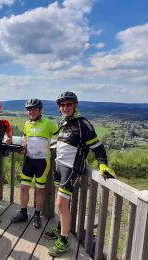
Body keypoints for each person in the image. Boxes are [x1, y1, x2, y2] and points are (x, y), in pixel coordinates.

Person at [46, 91, 116, 257]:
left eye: (68, 104)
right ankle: (60, 228)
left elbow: (98, 147)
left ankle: (63, 242)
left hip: (72, 169)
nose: (65, 107)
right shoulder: (64, 122)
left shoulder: (83, 123)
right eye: (62, 105)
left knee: (61, 203)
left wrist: (103, 165)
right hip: (59, 166)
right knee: (62, 202)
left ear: (75, 105)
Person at [11, 99, 58, 228]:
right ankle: (23, 212)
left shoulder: (48, 123)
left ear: (40, 110)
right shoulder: (27, 124)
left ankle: (37, 215)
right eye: (29, 109)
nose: (31, 111)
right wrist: (23, 146)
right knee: (24, 187)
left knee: (39, 190)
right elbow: (25, 138)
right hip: (29, 160)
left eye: (34, 109)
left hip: (42, 161)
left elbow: (61, 134)